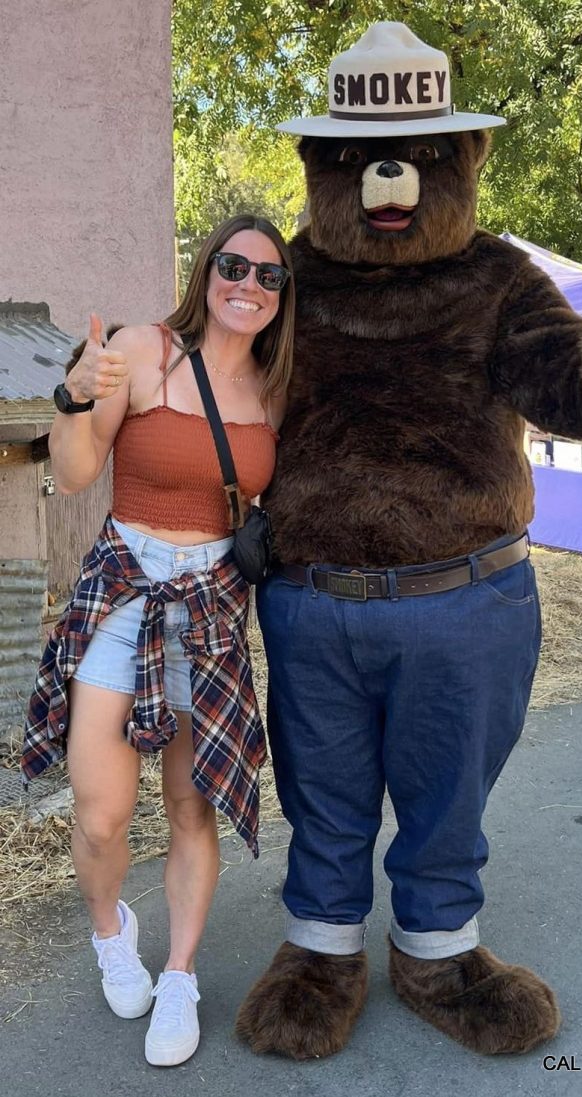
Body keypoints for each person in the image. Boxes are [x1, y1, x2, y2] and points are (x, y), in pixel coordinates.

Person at [22, 214, 294, 1067]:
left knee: (189, 805)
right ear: (206, 269)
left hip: (211, 608)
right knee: (101, 813)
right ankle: (112, 932)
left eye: (268, 277)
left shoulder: (278, 390)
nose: (247, 284)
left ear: (283, 297)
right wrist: (73, 395)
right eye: (233, 265)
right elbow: (71, 473)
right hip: (121, 594)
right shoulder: (143, 351)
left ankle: (178, 973)